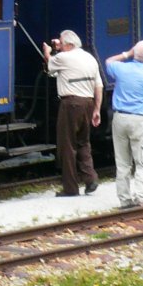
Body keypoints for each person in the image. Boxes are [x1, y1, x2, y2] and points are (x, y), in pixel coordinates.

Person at [42, 30, 102, 197]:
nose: (59, 45)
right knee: (83, 142)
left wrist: (48, 51)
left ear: (69, 44)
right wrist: (97, 109)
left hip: (70, 103)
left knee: (67, 145)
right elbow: (99, 86)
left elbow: (50, 66)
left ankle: (70, 188)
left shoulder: (63, 57)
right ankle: (90, 178)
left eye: (61, 43)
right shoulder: (90, 58)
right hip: (88, 103)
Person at [105, 40, 143, 208]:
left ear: (133, 53)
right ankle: (140, 197)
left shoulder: (121, 68)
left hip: (119, 119)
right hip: (139, 121)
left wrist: (127, 54)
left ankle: (124, 200)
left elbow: (108, 61)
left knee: (123, 163)